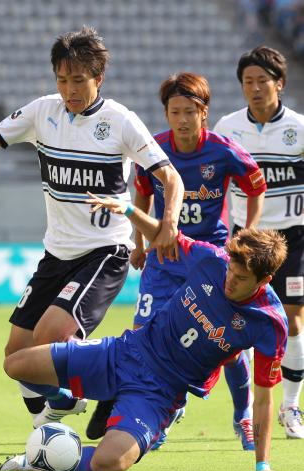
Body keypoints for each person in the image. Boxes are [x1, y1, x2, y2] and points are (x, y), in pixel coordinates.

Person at [0, 26, 184, 426]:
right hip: (56, 254)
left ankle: (108, 383)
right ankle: (62, 407)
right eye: (62, 80)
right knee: (16, 357)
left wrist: (168, 222)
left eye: (78, 80)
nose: (69, 90)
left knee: (47, 342)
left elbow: (171, 178)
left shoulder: (119, 121)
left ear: (98, 78)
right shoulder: (43, 111)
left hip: (104, 252)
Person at [0, 193, 288, 471]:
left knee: (109, 462)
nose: (229, 281)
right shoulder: (212, 260)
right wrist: (127, 210)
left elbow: (264, 398)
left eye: (240, 279)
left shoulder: (269, 323)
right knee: (16, 365)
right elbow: (165, 238)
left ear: (265, 280)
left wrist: (262, 463)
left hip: (159, 391)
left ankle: (38, 460)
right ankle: (67, 400)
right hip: (126, 351)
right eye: (230, 271)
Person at [86, 72, 267, 450]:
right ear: (166, 114)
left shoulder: (222, 150)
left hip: (214, 259)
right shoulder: (154, 151)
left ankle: (243, 416)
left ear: (204, 113)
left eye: (190, 111)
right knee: (143, 336)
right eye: (174, 112)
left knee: (227, 345)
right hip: (165, 255)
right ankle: (155, 413)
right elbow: (141, 195)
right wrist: (138, 243)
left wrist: (245, 235)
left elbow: (256, 186)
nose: (182, 120)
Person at [214, 46, 304, 439]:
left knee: (293, 318)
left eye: (262, 81)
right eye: (247, 82)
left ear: (279, 84)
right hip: (246, 239)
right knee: (240, 319)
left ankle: (291, 406)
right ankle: (247, 411)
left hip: (293, 237)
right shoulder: (228, 127)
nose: (254, 88)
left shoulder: (299, 129)